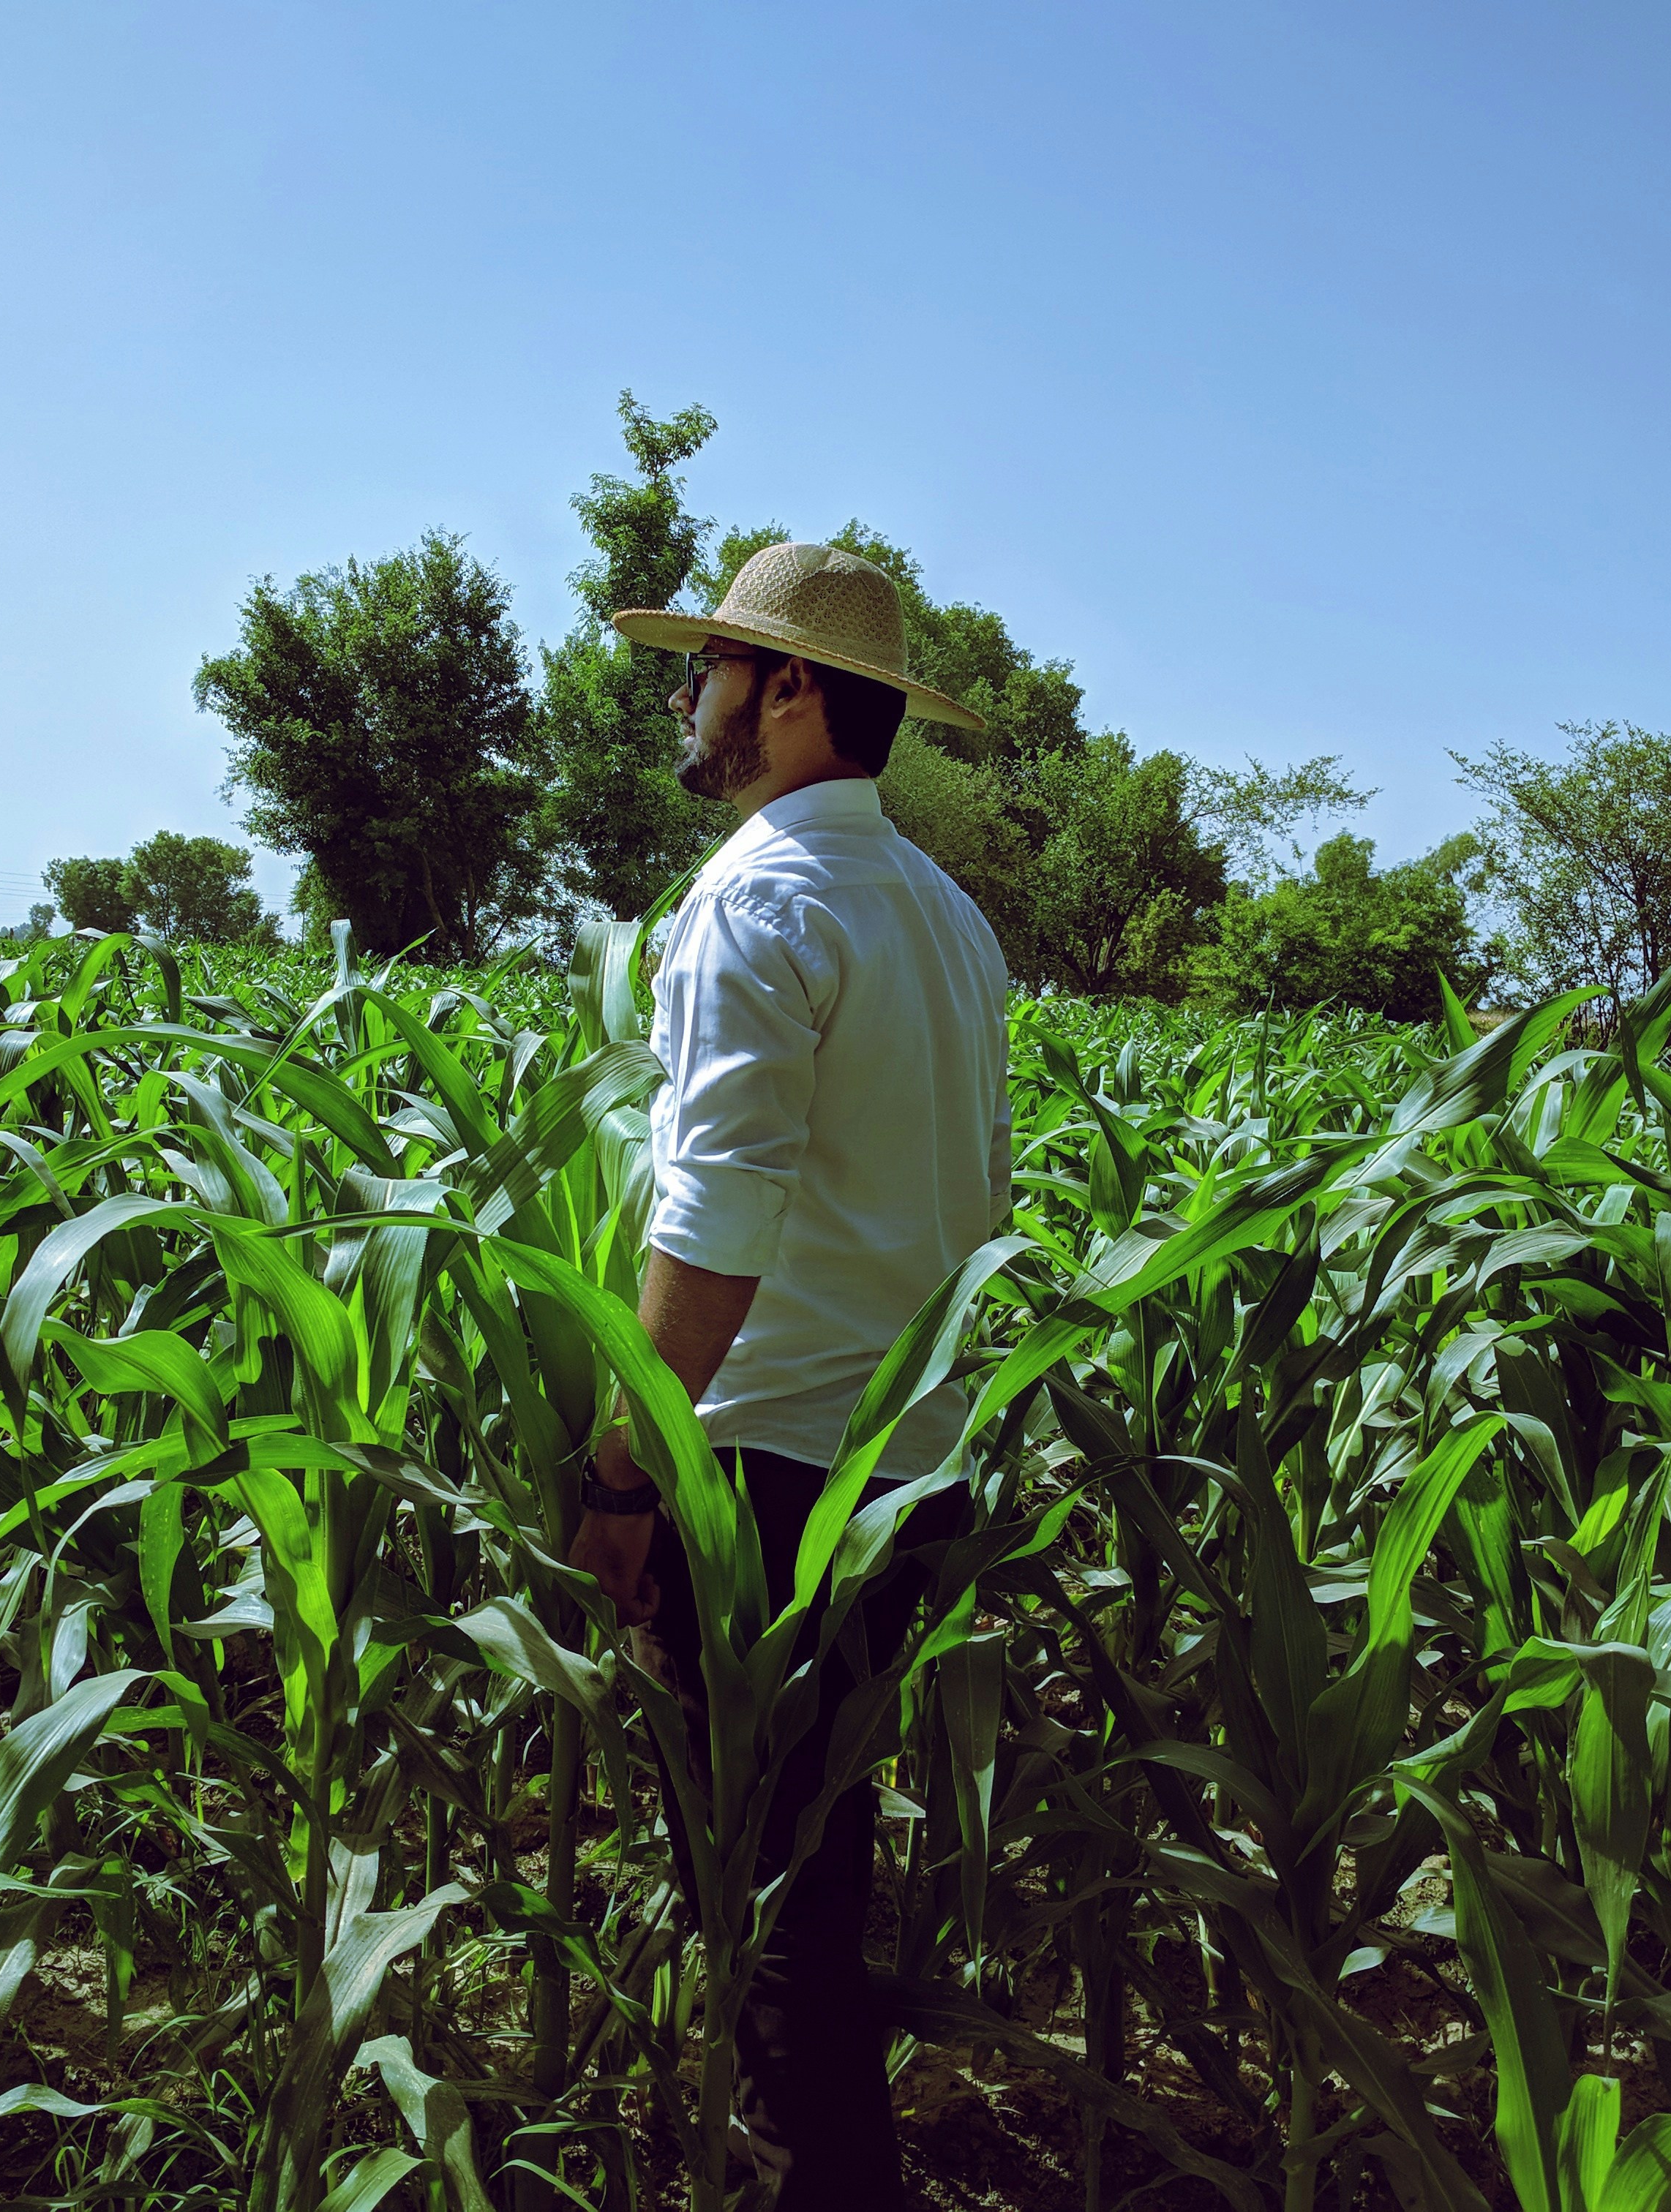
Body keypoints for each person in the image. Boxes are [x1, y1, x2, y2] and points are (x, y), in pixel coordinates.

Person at [568, 541, 1013, 2208]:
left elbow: (716, 1226)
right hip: (908, 1477)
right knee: (814, 1891)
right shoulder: (949, 920)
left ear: (794, 692)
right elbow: (980, 1201)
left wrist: (626, 1472)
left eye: (708, 669)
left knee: (760, 1909)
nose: (687, 699)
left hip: (764, 1481)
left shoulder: (759, 893)